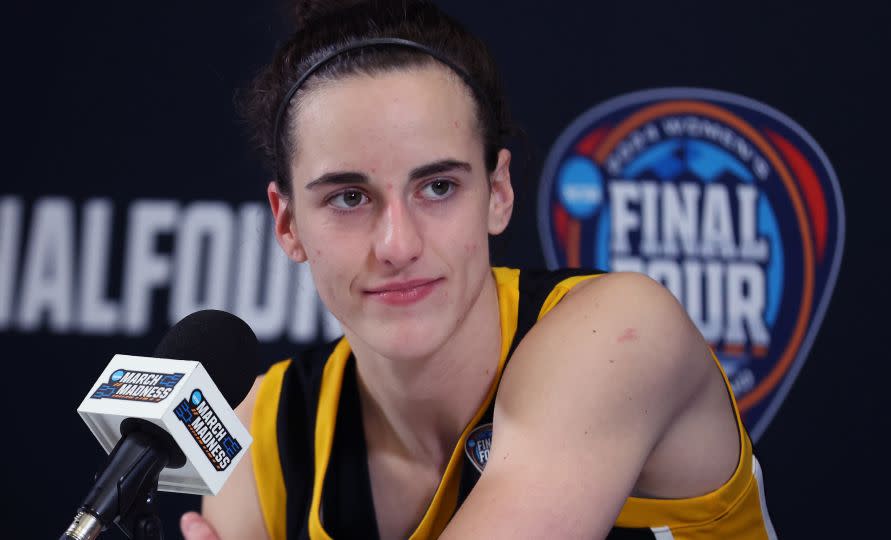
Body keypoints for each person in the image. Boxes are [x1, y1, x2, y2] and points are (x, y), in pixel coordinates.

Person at [180, 1, 777, 538]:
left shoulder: (619, 333)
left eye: (438, 187)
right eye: (349, 197)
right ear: (288, 225)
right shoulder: (262, 435)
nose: (397, 244)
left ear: (497, 194)